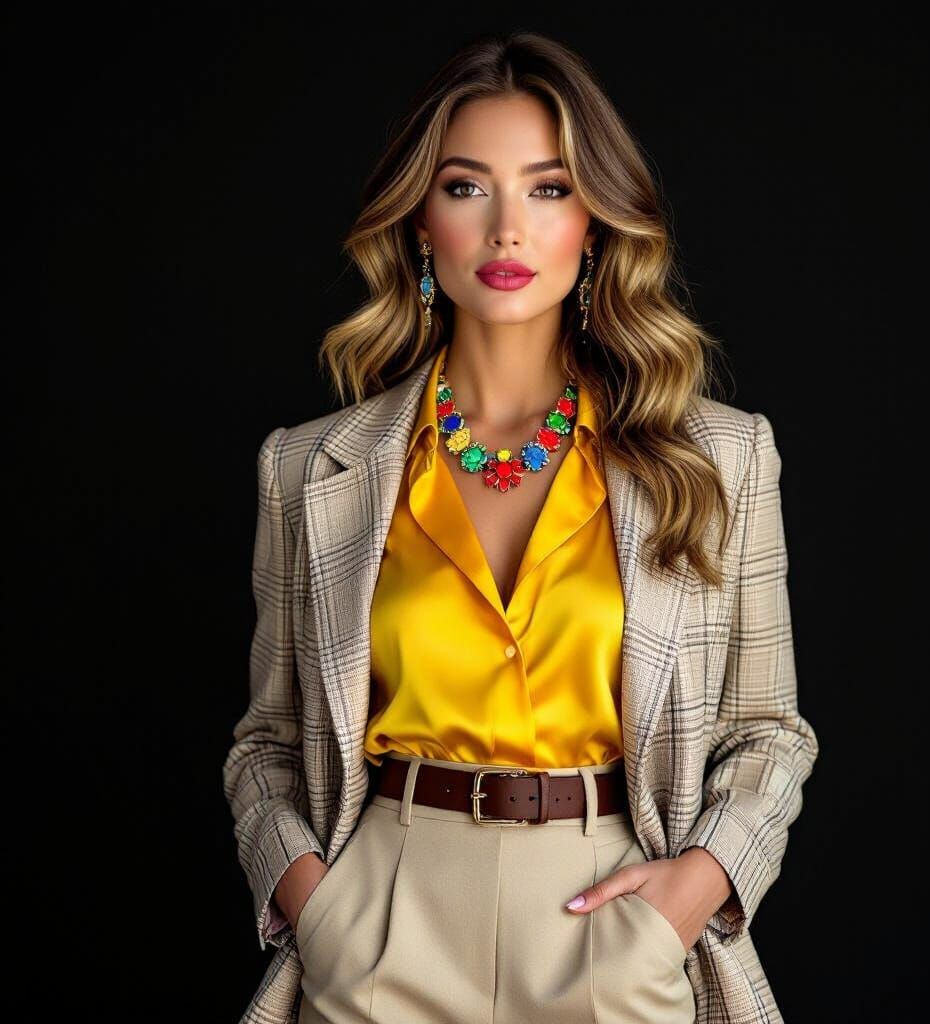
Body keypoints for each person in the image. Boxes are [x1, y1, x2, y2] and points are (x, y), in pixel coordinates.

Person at [223, 30, 819, 1024]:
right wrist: (318, 903)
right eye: (466, 187)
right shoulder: (309, 469)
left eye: (548, 189)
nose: (507, 229)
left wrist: (690, 894)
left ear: (595, 222)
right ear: (421, 222)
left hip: (611, 927)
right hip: (381, 928)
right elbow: (266, 744)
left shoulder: (719, 458)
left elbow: (770, 734)